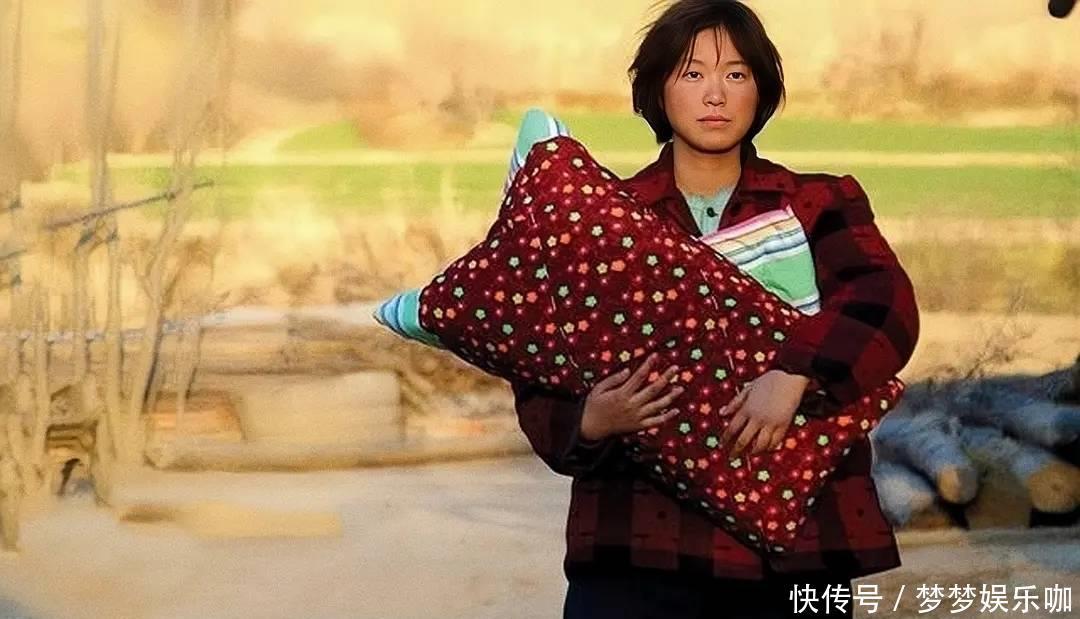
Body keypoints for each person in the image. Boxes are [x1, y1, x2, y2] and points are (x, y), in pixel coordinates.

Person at [509, 1, 921, 618]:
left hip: (797, 551)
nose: (715, 95)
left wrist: (796, 372)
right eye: (692, 73)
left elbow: (883, 303)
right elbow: (542, 352)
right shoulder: (607, 223)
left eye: (736, 74)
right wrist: (589, 419)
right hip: (636, 547)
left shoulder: (815, 202)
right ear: (657, 90)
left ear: (762, 89)